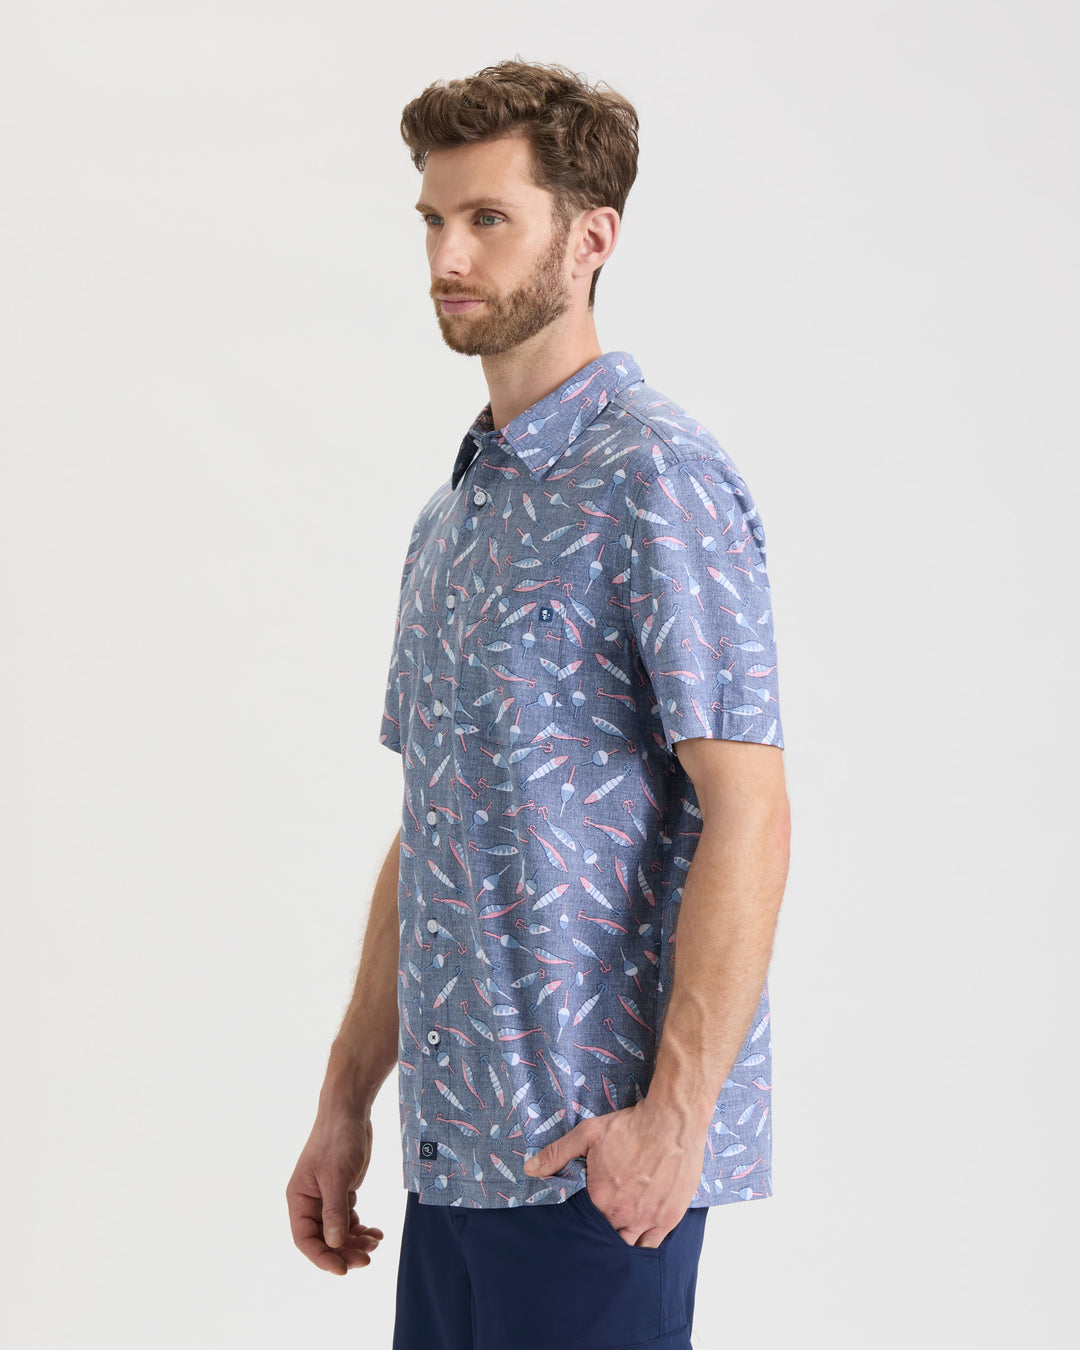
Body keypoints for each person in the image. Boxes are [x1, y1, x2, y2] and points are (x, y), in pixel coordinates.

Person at [286, 58, 791, 1350]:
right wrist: (347, 1100)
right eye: (433, 221)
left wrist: (672, 1121)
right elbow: (433, 822)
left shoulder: (658, 478)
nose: (448, 256)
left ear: (591, 238)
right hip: (454, 1162)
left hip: (591, 1171)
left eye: (489, 218)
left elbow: (750, 807)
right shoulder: (450, 517)